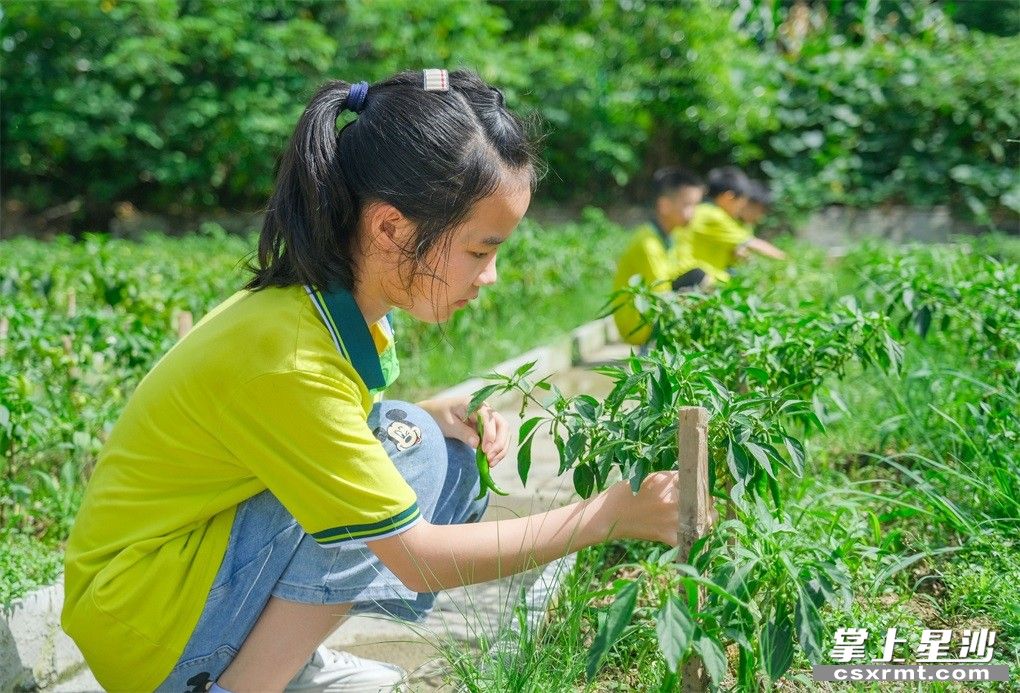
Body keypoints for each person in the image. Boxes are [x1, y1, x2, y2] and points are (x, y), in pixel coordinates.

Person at [61, 68, 682, 693]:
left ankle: (274, 663)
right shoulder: (292, 356)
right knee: (401, 451)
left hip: (164, 596)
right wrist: (607, 515)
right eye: (479, 250)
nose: (490, 276)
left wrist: (428, 418)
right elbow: (419, 561)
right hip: (149, 631)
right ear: (390, 228)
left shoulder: (326, 309)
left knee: (419, 437)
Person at [611, 167, 717, 346]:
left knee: (700, 278)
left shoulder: (668, 236)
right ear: (665, 206)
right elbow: (662, 295)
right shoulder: (648, 243)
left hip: (649, 317)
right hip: (638, 326)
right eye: (688, 205)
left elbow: (681, 270)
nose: (694, 212)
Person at [685, 167, 786, 281]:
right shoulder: (713, 216)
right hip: (697, 279)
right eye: (740, 203)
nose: (740, 208)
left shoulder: (708, 211)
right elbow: (753, 244)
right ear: (728, 198)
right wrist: (786, 260)